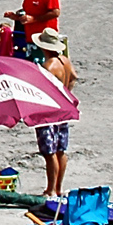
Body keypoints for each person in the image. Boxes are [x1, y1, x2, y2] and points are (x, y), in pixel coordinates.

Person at [33, 30, 78, 196]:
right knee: (61, 149)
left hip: (49, 111)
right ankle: (58, 188)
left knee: (49, 151)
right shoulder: (64, 61)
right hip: (63, 108)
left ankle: (50, 189)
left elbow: (39, 89)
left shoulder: (48, 66)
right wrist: (66, 92)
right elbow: (73, 77)